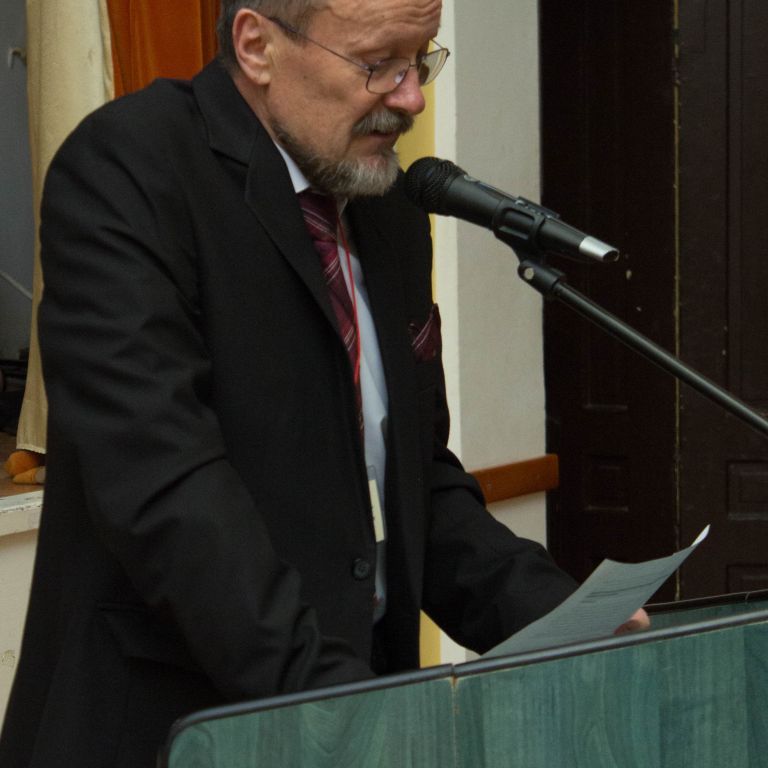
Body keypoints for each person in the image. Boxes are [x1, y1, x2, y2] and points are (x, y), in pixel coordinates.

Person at [0, 1, 647, 766]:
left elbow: (418, 482)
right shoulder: (130, 170)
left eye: (421, 58)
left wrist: (559, 616)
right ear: (257, 45)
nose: (412, 98)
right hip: (172, 727)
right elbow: (169, 493)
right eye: (378, 65)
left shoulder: (386, 205)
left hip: (347, 706)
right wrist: (345, 712)